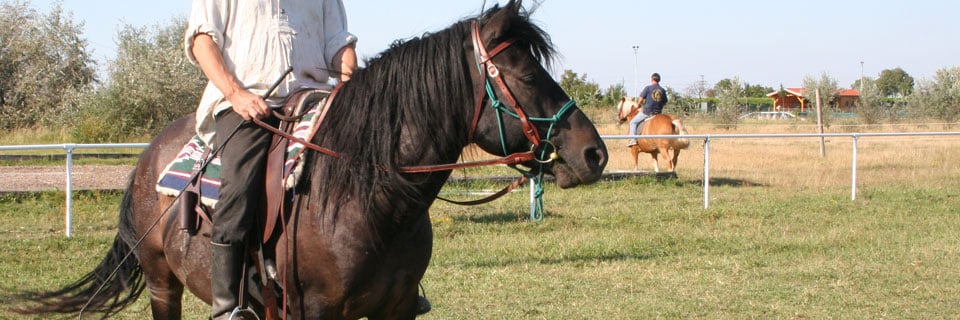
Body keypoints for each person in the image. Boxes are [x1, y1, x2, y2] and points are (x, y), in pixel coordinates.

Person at [184, 1, 429, 318]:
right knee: (240, 187)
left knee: (376, 167)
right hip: (250, 103)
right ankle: (228, 305)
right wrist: (236, 94)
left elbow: (339, 45)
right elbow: (202, 41)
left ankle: (396, 283)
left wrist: (350, 92)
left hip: (316, 98)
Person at [627, 73, 668, 147]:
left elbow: (640, 100)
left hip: (647, 112)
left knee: (633, 122)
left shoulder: (648, 88)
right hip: (658, 113)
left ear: (652, 79)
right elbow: (665, 102)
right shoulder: (662, 90)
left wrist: (638, 105)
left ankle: (632, 140)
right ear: (659, 80)